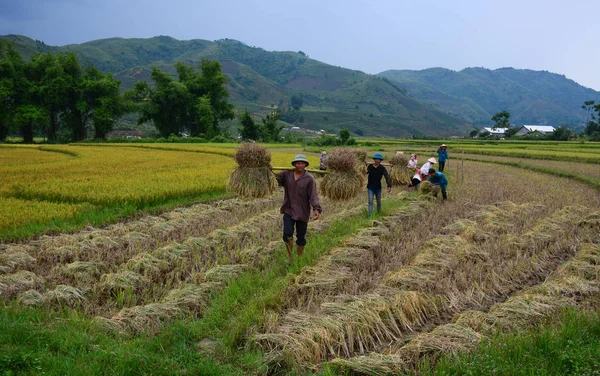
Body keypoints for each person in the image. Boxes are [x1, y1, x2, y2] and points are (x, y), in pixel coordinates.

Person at [272, 154, 322, 264]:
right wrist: (268, 169)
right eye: (298, 163)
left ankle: (299, 257)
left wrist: (316, 209)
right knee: (287, 234)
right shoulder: (287, 174)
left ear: (305, 165)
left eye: (302, 163)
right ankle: (290, 256)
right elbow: (274, 179)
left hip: (302, 212)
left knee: (301, 238)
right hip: (288, 209)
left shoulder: (309, 179)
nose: (300, 165)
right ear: (294, 164)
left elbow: (313, 195)